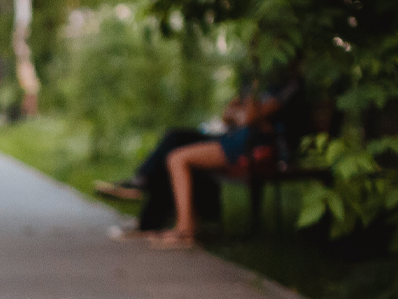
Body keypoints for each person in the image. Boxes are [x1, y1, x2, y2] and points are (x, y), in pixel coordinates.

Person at [96, 76, 299, 248]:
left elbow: (247, 117)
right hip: (238, 140)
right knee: (176, 138)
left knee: (177, 159)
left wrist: (246, 109)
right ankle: (144, 186)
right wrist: (243, 113)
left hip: (254, 148)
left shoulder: (285, 85)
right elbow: (229, 116)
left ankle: (183, 230)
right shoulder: (264, 81)